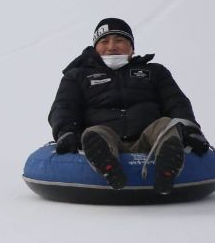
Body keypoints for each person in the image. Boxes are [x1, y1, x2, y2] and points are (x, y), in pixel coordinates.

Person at [48, 18, 209, 194]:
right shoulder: (77, 76)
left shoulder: (154, 72)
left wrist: (190, 130)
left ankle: (167, 170)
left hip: (149, 138)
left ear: (132, 47)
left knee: (165, 125)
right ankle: (109, 168)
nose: (111, 46)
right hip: (107, 137)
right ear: (95, 47)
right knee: (94, 133)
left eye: (119, 40)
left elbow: (176, 102)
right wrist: (66, 132)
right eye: (104, 41)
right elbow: (64, 107)